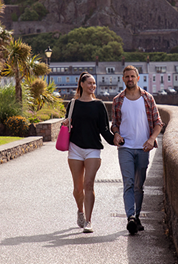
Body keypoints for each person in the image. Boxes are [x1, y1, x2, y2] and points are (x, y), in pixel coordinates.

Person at [111, 65, 163, 235]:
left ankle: (137, 216)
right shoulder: (118, 100)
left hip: (143, 148)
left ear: (138, 78)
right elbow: (115, 125)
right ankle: (130, 217)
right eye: (127, 76)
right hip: (125, 147)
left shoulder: (148, 98)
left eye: (133, 76)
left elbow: (158, 123)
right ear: (123, 79)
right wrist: (116, 134)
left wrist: (151, 139)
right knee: (128, 183)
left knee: (139, 186)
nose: (130, 79)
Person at [61, 72, 114, 233]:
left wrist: (116, 140)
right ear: (82, 84)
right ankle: (80, 211)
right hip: (75, 149)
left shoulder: (99, 105)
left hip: (93, 149)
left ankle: (89, 221)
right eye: (89, 83)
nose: (92, 86)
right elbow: (68, 123)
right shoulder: (73, 104)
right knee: (78, 188)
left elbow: (104, 130)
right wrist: (65, 123)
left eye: (94, 83)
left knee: (89, 184)